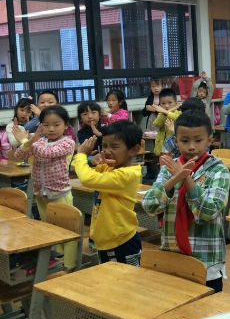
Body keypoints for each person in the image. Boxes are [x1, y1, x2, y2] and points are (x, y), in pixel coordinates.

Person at [143, 112, 230, 292]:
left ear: (210, 140)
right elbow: (149, 205)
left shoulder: (218, 170)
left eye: (198, 141)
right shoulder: (169, 169)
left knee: (206, 308)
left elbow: (208, 212)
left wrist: (186, 178)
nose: (191, 147)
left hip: (205, 263)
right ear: (175, 141)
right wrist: (174, 178)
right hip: (172, 257)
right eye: (184, 141)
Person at [12, 105, 76, 269]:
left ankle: (70, 266)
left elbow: (47, 153)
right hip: (41, 194)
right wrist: (30, 141)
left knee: (68, 231)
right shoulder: (40, 141)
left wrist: (26, 141)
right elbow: (19, 155)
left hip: (60, 194)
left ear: (66, 125)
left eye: (56, 124)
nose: (51, 129)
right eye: (46, 125)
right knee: (50, 230)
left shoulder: (68, 142)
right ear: (41, 126)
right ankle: (57, 261)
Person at [73, 120, 143, 266]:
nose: (108, 151)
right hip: (106, 239)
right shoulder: (109, 167)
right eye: (104, 146)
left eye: (115, 147)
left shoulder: (127, 174)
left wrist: (81, 155)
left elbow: (87, 178)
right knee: (108, 277)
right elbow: (84, 170)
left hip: (121, 241)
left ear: (133, 150)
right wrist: (92, 161)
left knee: (124, 278)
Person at [149, 88, 181, 157]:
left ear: (176, 103)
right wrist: (165, 113)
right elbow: (156, 124)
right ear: (160, 105)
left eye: (170, 103)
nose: (166, 106)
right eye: (163, 103)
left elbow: (178, 119)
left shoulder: (179, 114)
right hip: (161, 147)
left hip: (173, 146)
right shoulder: (161, 114)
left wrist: (166, 112)